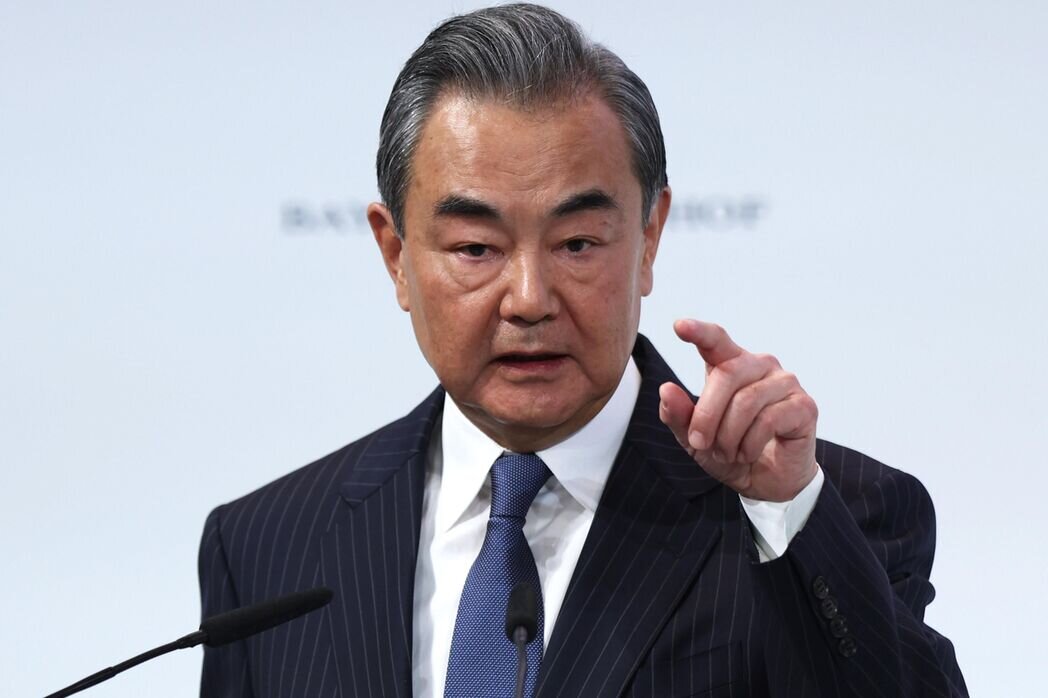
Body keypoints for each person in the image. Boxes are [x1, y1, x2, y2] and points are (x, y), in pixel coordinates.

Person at [198, 4, 967, 696]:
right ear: (396, 254)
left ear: (649, 237)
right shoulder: (267, 547)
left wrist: (787, 512)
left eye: (576, 243)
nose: (529, 299)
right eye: (476, 248)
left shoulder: (820, 515)